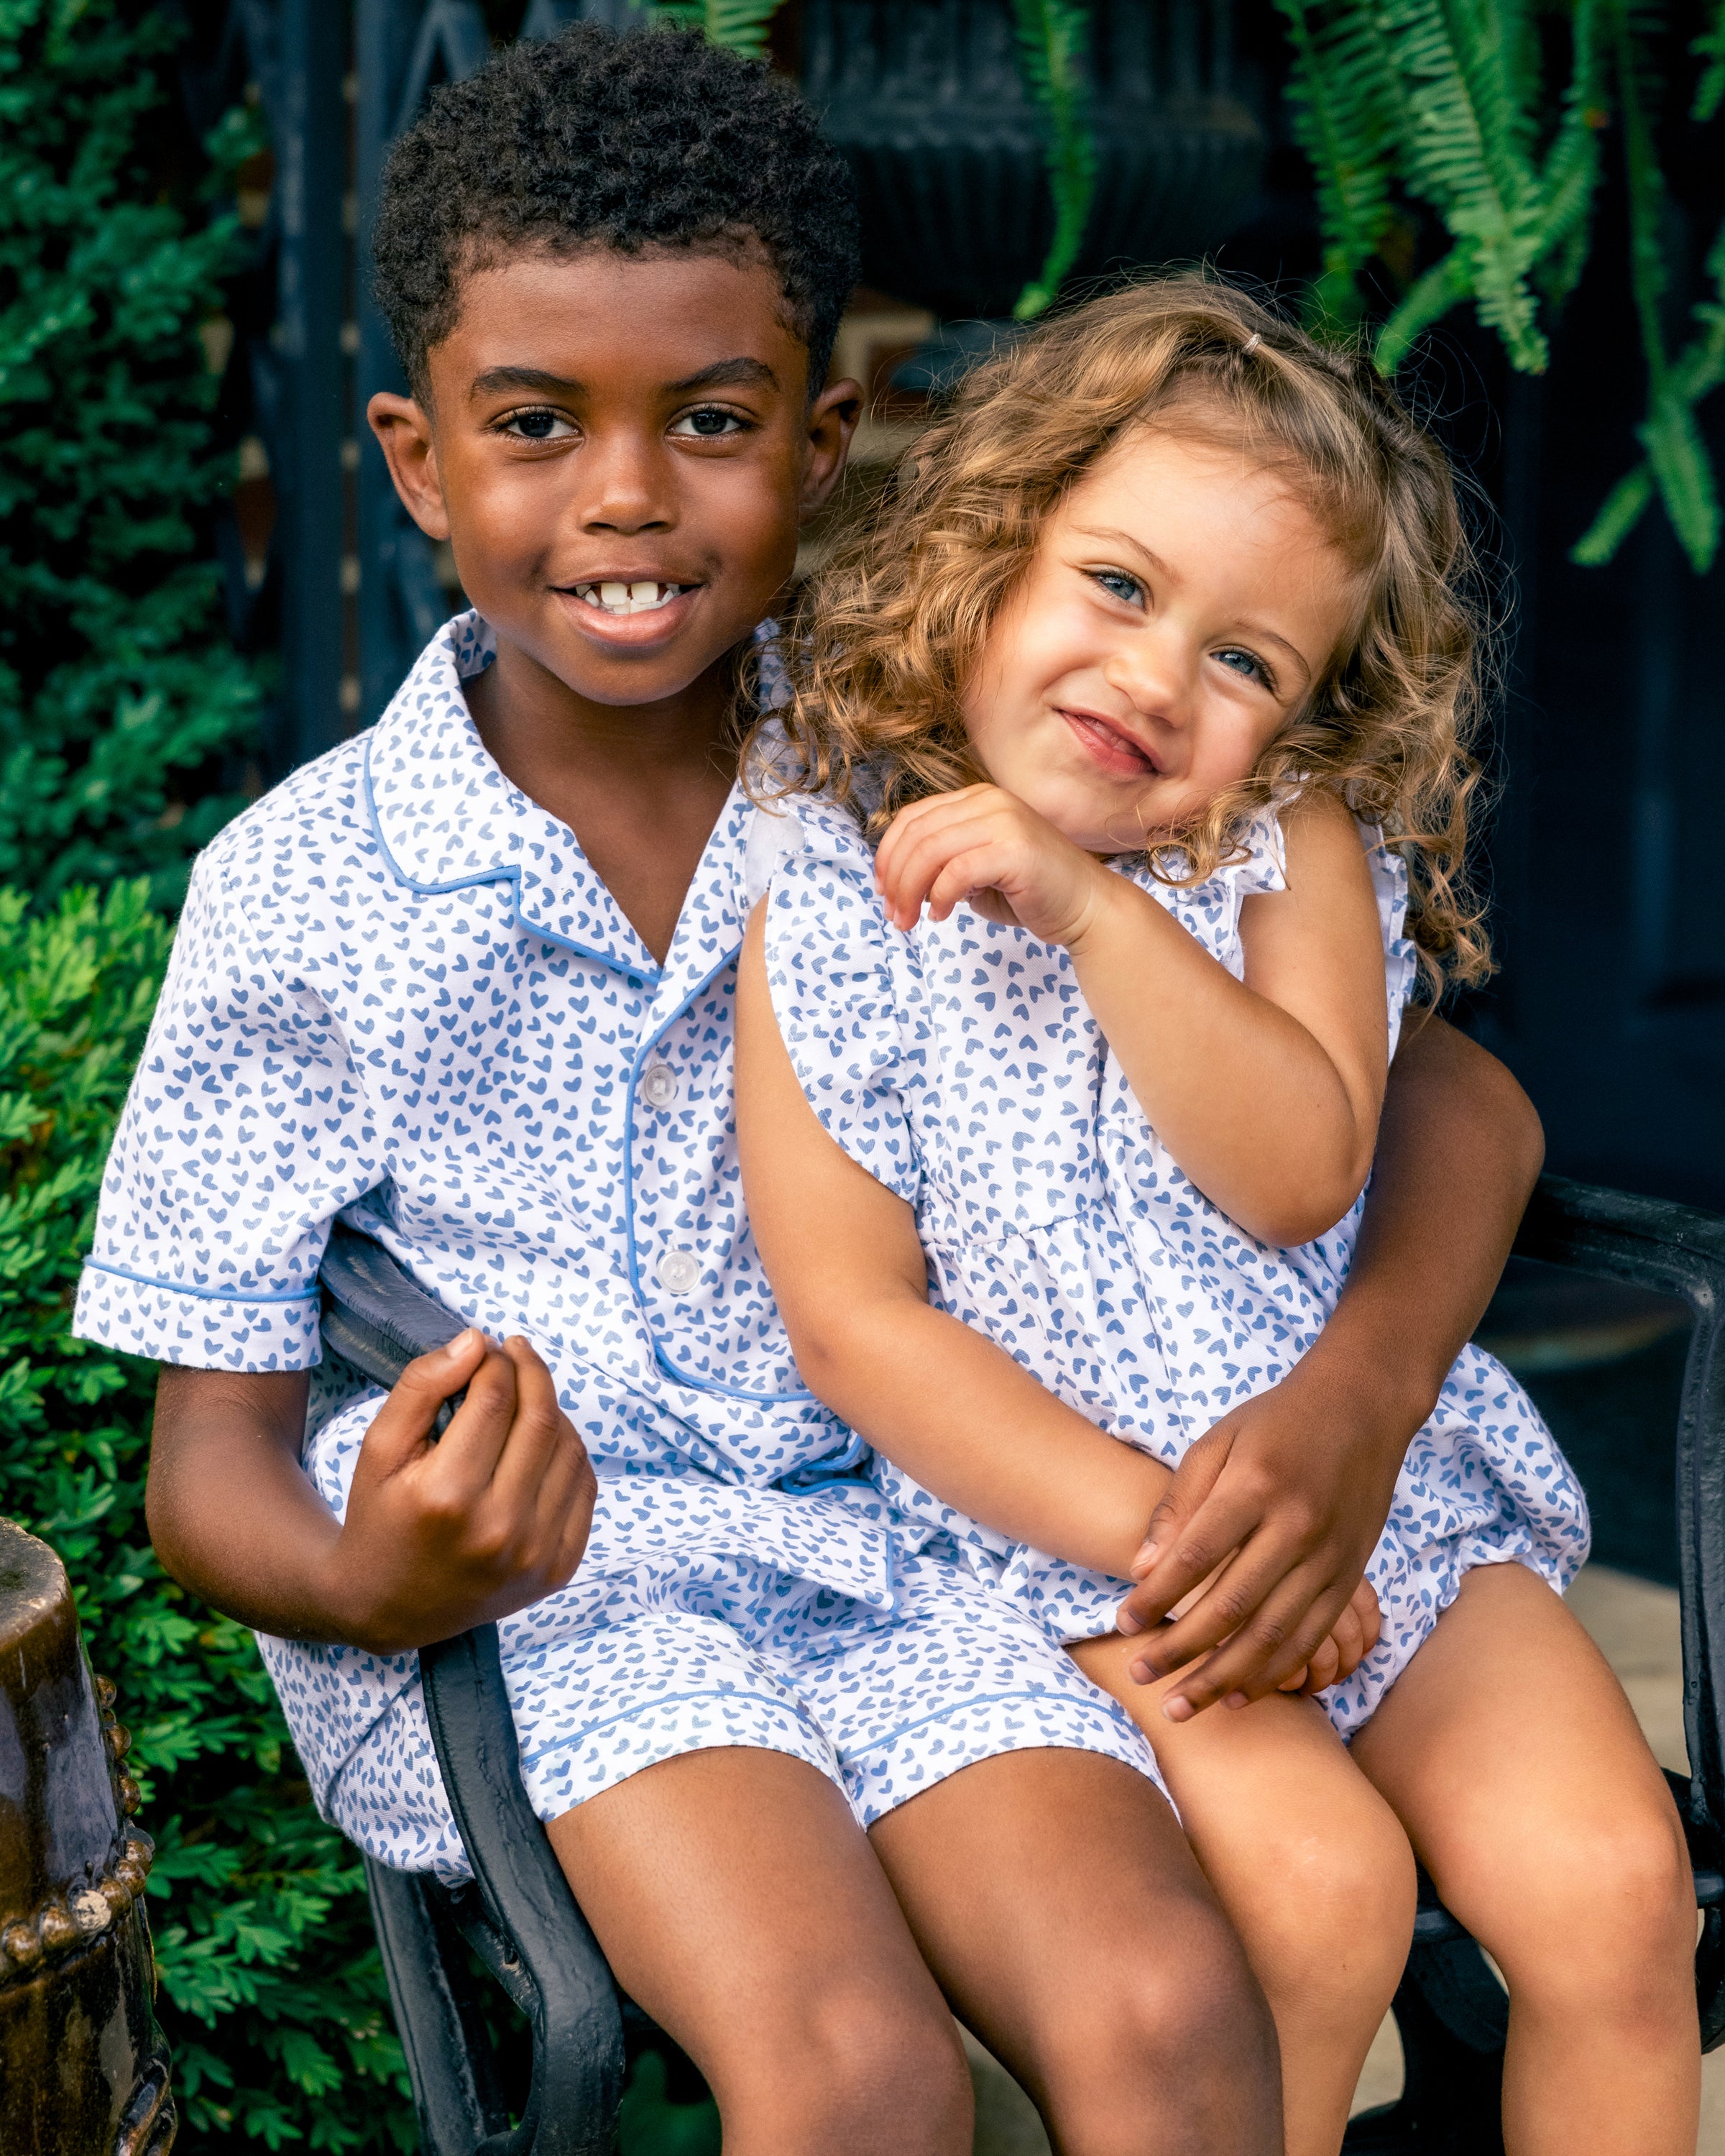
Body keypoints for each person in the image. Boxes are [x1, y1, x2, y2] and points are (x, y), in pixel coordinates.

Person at [78, 25, 1546, 2154]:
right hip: (569, 1617)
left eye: (711, 421)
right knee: (855, 2079)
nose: (625, 498)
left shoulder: (953, 750)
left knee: (1168, 2007)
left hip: (937, 1567)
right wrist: (368, 1576)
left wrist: (1353, 1407)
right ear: (416, 461)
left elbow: (1450, 1105)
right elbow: (202, 1458)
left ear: (825, 432)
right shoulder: (308, 891)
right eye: (531, 427)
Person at [735, 275, 1701, 2156]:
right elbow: (859, 1326)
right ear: (987, 562)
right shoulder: (828, 890)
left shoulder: (1286, 850)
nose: (1162, 676)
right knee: (1317, 1896)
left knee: (1610, 1881)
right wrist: (1172, 1542)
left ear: (1308, 716)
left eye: (1250, 660)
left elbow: (1302, 1166)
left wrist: (1099, 915)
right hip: (1080, 1542)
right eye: (1117, 586)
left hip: (1376, 1509)